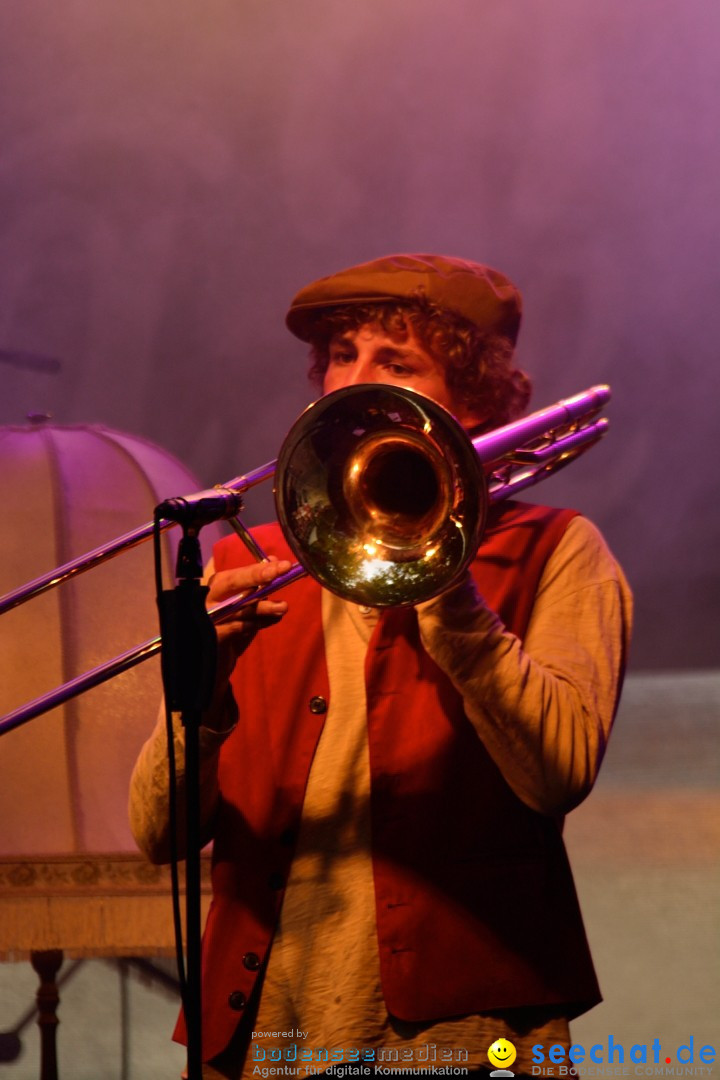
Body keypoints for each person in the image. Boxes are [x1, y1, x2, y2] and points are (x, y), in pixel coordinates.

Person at [129, 254, 632, 1079]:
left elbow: (559, 774)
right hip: (263, 1034)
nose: (353, 383)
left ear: (474, 400)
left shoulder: (558, 551)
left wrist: (450, 587)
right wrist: (201, 692)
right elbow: (159, 834)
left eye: (395, 363)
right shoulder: (248, 559)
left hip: (462, 1039)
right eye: (342, 356)